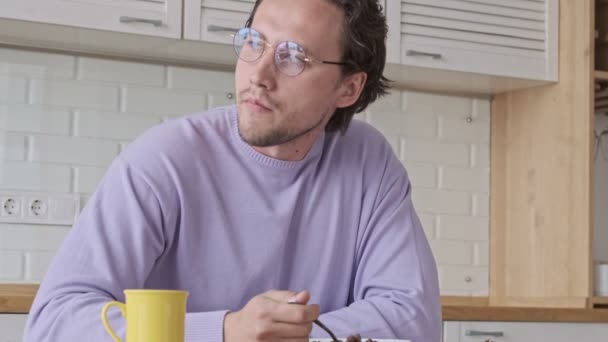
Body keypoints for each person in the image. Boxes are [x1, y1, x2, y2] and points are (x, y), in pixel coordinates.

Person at [23, 0, 441, 341]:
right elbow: (54, 323)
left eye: (293, 56)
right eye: (253, 41)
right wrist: (223, 330)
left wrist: (283, 335)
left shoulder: (370, 163)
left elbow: (412, 317)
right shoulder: (163, 160)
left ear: (348, 88)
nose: (257, 74)